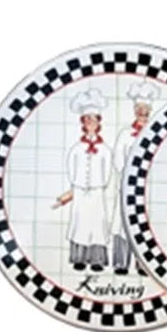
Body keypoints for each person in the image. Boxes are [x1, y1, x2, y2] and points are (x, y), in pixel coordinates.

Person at [54, 89, 112, 272]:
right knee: (79, 224)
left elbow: (107, 172)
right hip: (80, 191)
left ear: (98, 123)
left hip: (96, 192)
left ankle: (97, 259)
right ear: (83, 123)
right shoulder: (76, 149)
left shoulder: (105, 150)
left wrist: (98, 185)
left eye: (93, 120)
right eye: (87, 120)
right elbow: (72, 170)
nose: (90, 123)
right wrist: (77, 185)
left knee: (96, 224)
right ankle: (79, 258)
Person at [111, 81, 160, 275]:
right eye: (139, 108)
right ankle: (121, 263)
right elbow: (118, 160)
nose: (142, 112)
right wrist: (130, 178)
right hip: (128, 188)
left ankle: (144, 264)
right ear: (134, 110)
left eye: (145, 109)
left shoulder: (157, 135)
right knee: (123, 225)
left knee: (146, 226)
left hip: (149, 189)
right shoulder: (125, 134)